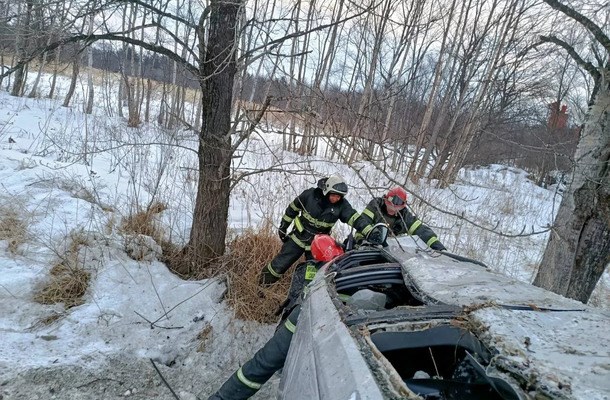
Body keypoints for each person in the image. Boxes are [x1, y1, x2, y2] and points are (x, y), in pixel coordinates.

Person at [208, 235, 345, 400]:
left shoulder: (308, 271)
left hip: (300, 320)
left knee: (262, 364)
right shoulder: (344, 270)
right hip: (311, 324)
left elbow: (293, 300)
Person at [259, 175, 373, 285]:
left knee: (311, 275)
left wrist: (369, 231)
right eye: (333, 195)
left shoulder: (342, 205)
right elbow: (292, 209)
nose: (336, 199)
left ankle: (304, 294)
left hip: (318, 245)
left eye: (339, 196)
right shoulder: (309, 195)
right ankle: (261, 286)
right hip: (298, 237)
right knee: (278, 265)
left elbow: (355, 219)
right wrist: (283, 226)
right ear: (327, 190)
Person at [358, 187, 446, 250]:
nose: (393, 209)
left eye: (396, 207)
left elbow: (421, 230)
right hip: (367, 246)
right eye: (390, 205)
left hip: (390, 251)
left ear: (403, 206)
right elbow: (362, 223)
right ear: (385, 199)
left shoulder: (405, 216)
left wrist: (438, 247)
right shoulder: (376, 205)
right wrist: (362, 241)